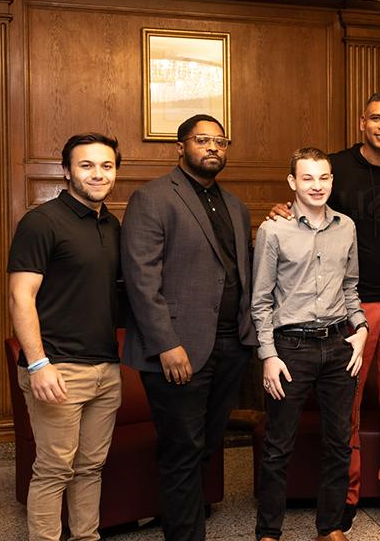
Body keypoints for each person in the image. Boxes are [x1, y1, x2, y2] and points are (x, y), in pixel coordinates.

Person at [269, 92, 380, 541]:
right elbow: (308, 208)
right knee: (342, 411)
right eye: (376, 118)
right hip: (349, 308)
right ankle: (341, 503)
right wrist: (281, 210)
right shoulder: (338, 167)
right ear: (362, 122)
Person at [121, 114, 255, 541]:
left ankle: (180, 519)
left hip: (231, 345)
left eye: (220, 141)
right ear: (181, 147)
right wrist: (166, 343)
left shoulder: (236, 205)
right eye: (202, 140)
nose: (213, 147)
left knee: (206, 446)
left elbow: (239, 270)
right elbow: (141, 278)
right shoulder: (154, 197)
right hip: (177, 349)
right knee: (183, 450)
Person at [8, 133, 123, 541]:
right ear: (66, 171)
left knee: (91, 467)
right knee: (55, 469)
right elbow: (21, 296)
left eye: (106, 166)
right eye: (86, 165)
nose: (97, 174)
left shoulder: (111, 224)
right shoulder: (42, 222)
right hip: (57, 369)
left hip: (106, 368)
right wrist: (38, 364)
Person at [252, 147, 369, 541]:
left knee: (338, 443)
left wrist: (362, 331)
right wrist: (268, 355)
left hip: (339, 346)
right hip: (291, 350)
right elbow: (261, 300)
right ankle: (269, 531)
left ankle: (330, 527)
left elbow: (351, 288)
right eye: (307, 178)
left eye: (323, 178)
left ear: (332, 181)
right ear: (292, 183)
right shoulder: (274, 230)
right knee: (277, 446)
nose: (316, 186)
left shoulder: (347, 227)